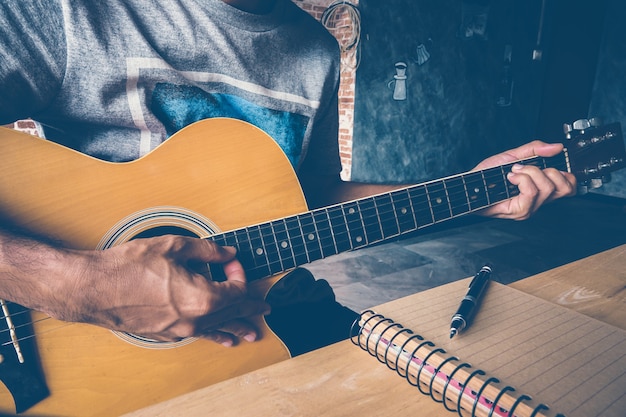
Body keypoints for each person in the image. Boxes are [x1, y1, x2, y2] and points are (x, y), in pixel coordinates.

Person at [0, 0, 576, 353]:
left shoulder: (317, 52)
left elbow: (316, 199)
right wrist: (75, 285)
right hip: (71, 340)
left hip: (266, 314)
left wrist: (471, 197)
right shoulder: (65, 14)